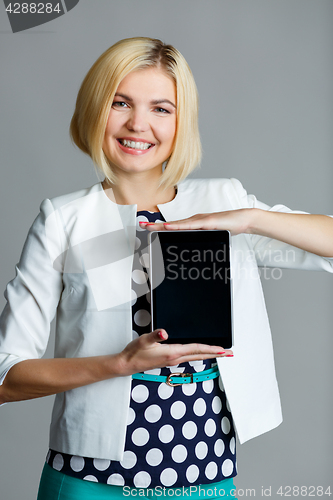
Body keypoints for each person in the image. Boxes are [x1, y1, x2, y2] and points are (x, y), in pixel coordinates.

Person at [0, 37, 332, 500]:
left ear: (182, 122)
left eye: (161, 108)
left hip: (205, 473)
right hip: (89, 479)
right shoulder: (63, 220)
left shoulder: (225, 204)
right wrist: (120, 364)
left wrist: (251, 219)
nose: (138, 123)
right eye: (121, 103)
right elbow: (6, 376)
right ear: (96, 108)